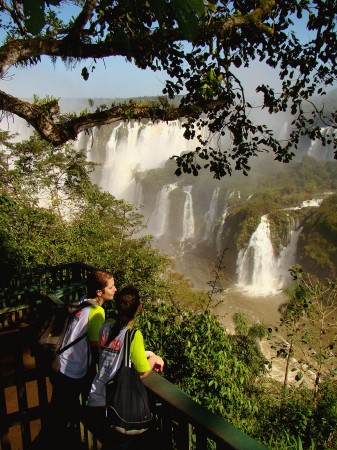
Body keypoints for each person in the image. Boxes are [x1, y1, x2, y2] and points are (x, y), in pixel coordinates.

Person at [85, 286, 164, 450]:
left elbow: (111, 352)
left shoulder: (106, 326)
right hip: (116, 406)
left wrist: (144, 353)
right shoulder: (134, 335)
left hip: (96, 397)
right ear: (139, 308)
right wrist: (154, 358)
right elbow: (142, 372)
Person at [47, 270, 117, 446]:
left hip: (60, 363)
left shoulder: (84, 300)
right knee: (64, 418)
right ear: (99, 292)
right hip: (71, 370)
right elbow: (96, 346)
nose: (115, 289)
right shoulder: (97, 312)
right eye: (111, 286)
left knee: (59, 411)